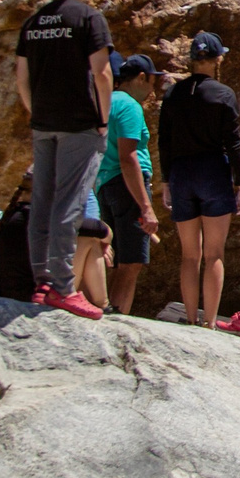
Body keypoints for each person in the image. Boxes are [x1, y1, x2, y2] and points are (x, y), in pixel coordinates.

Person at [13, 0, 112, 317]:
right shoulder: (88, 17)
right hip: (79, 124)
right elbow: (102, 73)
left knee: (42, 201)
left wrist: (36, 112)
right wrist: (102, 119)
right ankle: (62, 286)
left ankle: (41, 282)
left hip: (43, 123)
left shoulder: (34, 21)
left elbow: (21, 77)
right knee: (69, 203)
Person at [157, 32, 240, 329]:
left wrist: (165, 181)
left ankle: (190, 317)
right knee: (214, 254)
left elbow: (164, 141)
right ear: (217, 59)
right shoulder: (223, 94)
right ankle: (209, 322)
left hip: (181, 173)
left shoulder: (173, 94)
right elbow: (233, 143)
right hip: (212, 172)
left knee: (189, 255)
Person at [93, 52, 160, 314]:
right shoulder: (129, 105)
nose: (153, 89)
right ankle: (118, 318)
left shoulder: (105, 102)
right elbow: (128, 157)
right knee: (131, 262)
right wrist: (146, 207)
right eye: (152, 81)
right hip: (127, 186)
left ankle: (104, 309)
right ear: (141, 77)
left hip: (104, 184)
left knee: (116, 258)